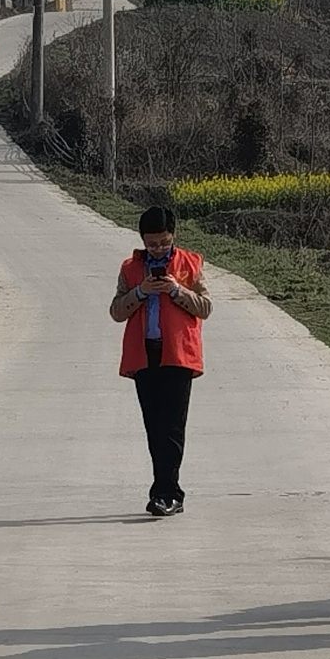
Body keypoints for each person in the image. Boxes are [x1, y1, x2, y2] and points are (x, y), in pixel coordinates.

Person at [111, 201, 213, 517]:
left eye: (164, 243)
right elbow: (116, 312)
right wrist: (140, 291)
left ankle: (168, 493)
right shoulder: (130, 269)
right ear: (142, 239)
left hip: (178, 355)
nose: (157, 250)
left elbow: (205, 307)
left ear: (173, 236)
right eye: (151, 244)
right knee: (154, 426)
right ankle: (163, 491)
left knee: (172, 427)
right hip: (145, 355)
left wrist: (175, 290)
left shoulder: (190, 264)